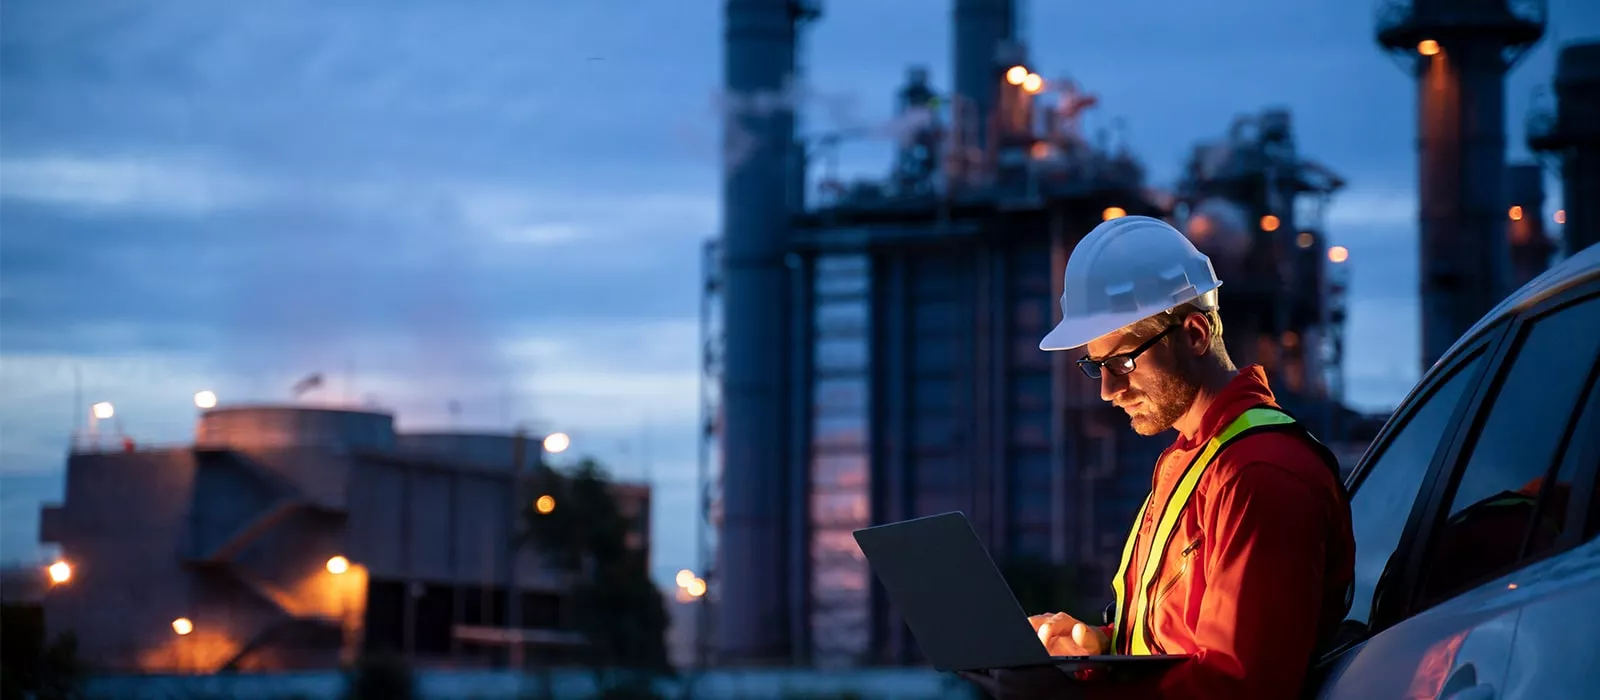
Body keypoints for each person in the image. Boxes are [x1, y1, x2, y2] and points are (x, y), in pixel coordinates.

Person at [961, 215, 1355, 699]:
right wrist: (1097, 647)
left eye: (1122, 362)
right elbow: (1177, 644)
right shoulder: (1192, 461)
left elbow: (1241, 686)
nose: (1107, 390)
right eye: (1095, 366)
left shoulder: (1259, 475)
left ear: (1194, 335)